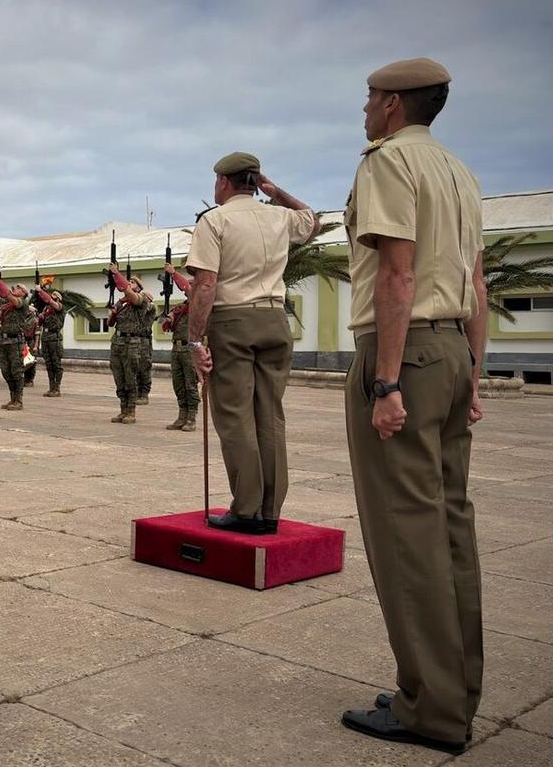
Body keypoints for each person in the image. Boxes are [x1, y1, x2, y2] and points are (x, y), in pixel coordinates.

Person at [338, 58, 486, 756]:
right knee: (450, 525)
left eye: (370, 98)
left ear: (393, 104)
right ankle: (451, 691)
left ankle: (428, 708)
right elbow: (476, 283)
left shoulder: (388, 163)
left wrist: (387, 382)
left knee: (405, 534)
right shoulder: (458, 172)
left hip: (405, 352)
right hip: (452, 348)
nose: (364, 109)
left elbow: (398, 274)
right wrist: (474, 375)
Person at [186, 151, 319, 533]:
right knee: (270, 415)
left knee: (235, 415)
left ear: (224, 183)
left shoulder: (215, 220)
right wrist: (277, 193)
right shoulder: (279, 216)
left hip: (234, 321)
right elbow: (310, 221)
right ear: (255, 182)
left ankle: (246, 509)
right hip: (275, 320)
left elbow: (206, 284)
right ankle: (271, 509)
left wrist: (195, 341)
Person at [103, 265, 147, 424]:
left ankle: (131, 411)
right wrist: (111, 315)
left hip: (132, 342)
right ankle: (123, 409)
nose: (130, 284)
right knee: (119, 377)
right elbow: (110, 324)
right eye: (129, 281)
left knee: (130, 378)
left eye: (133, 283)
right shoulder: (121, 303)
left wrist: (116, 274)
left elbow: (128, 292)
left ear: (139, 287)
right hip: (118, 341)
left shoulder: (141, 299)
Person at [162, 262, 199, 431]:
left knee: (190, 384)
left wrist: (174, 273)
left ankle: (192, 417)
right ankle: (182, 415)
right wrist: (170, 320)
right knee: (178, 384)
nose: (187, 288)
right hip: (176, 349)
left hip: (190, 349)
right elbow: (168, 328)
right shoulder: (181, 308)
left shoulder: (199, 303)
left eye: (191, 285)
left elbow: (188, 290)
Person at [0, 273, 30, 411]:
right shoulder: (7, 307)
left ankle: (19, 400)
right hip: (4, 341)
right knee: (6, 372)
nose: (15, 288)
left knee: (16, 371)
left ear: (23, 293)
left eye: (19, 288)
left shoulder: (22, 303)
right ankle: (12, 398)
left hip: (15, 342)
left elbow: (7, 295)